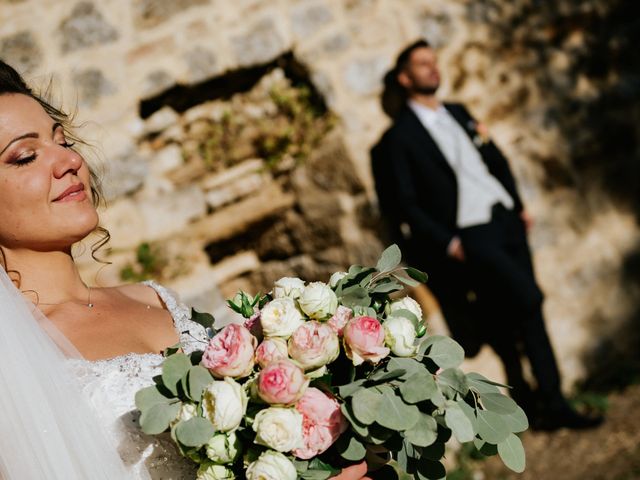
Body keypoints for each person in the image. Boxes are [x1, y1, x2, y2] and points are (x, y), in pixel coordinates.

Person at [0, 60, 369, 479]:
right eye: (25, 157)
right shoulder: (8, 370)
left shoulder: (153, 297)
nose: (68, 161)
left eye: (61, 140)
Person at [371, 39, 602, 430]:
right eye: (422, 64)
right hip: (469, 234)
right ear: (405, 78)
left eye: (434, 61)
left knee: (520, 309)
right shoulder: (398, 139)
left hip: (505, 220)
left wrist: (516, 202)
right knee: (528, 300)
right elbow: (405, 204)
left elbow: (493, 158)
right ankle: (548, 401)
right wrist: (449, 242)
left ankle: (542, 402)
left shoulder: (460, 113)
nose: (432, 68)